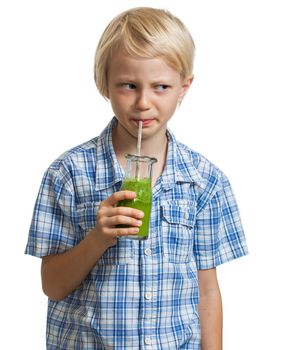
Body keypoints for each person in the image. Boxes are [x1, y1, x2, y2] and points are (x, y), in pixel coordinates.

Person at [25, 7, 248, 349]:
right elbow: (51, 286)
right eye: (129, 85)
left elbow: (207, 291)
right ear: (104, 84)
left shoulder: (205, 182)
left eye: (161, 86)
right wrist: (98, 238)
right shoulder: (68, 174)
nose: (144, 102)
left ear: (183, 87)